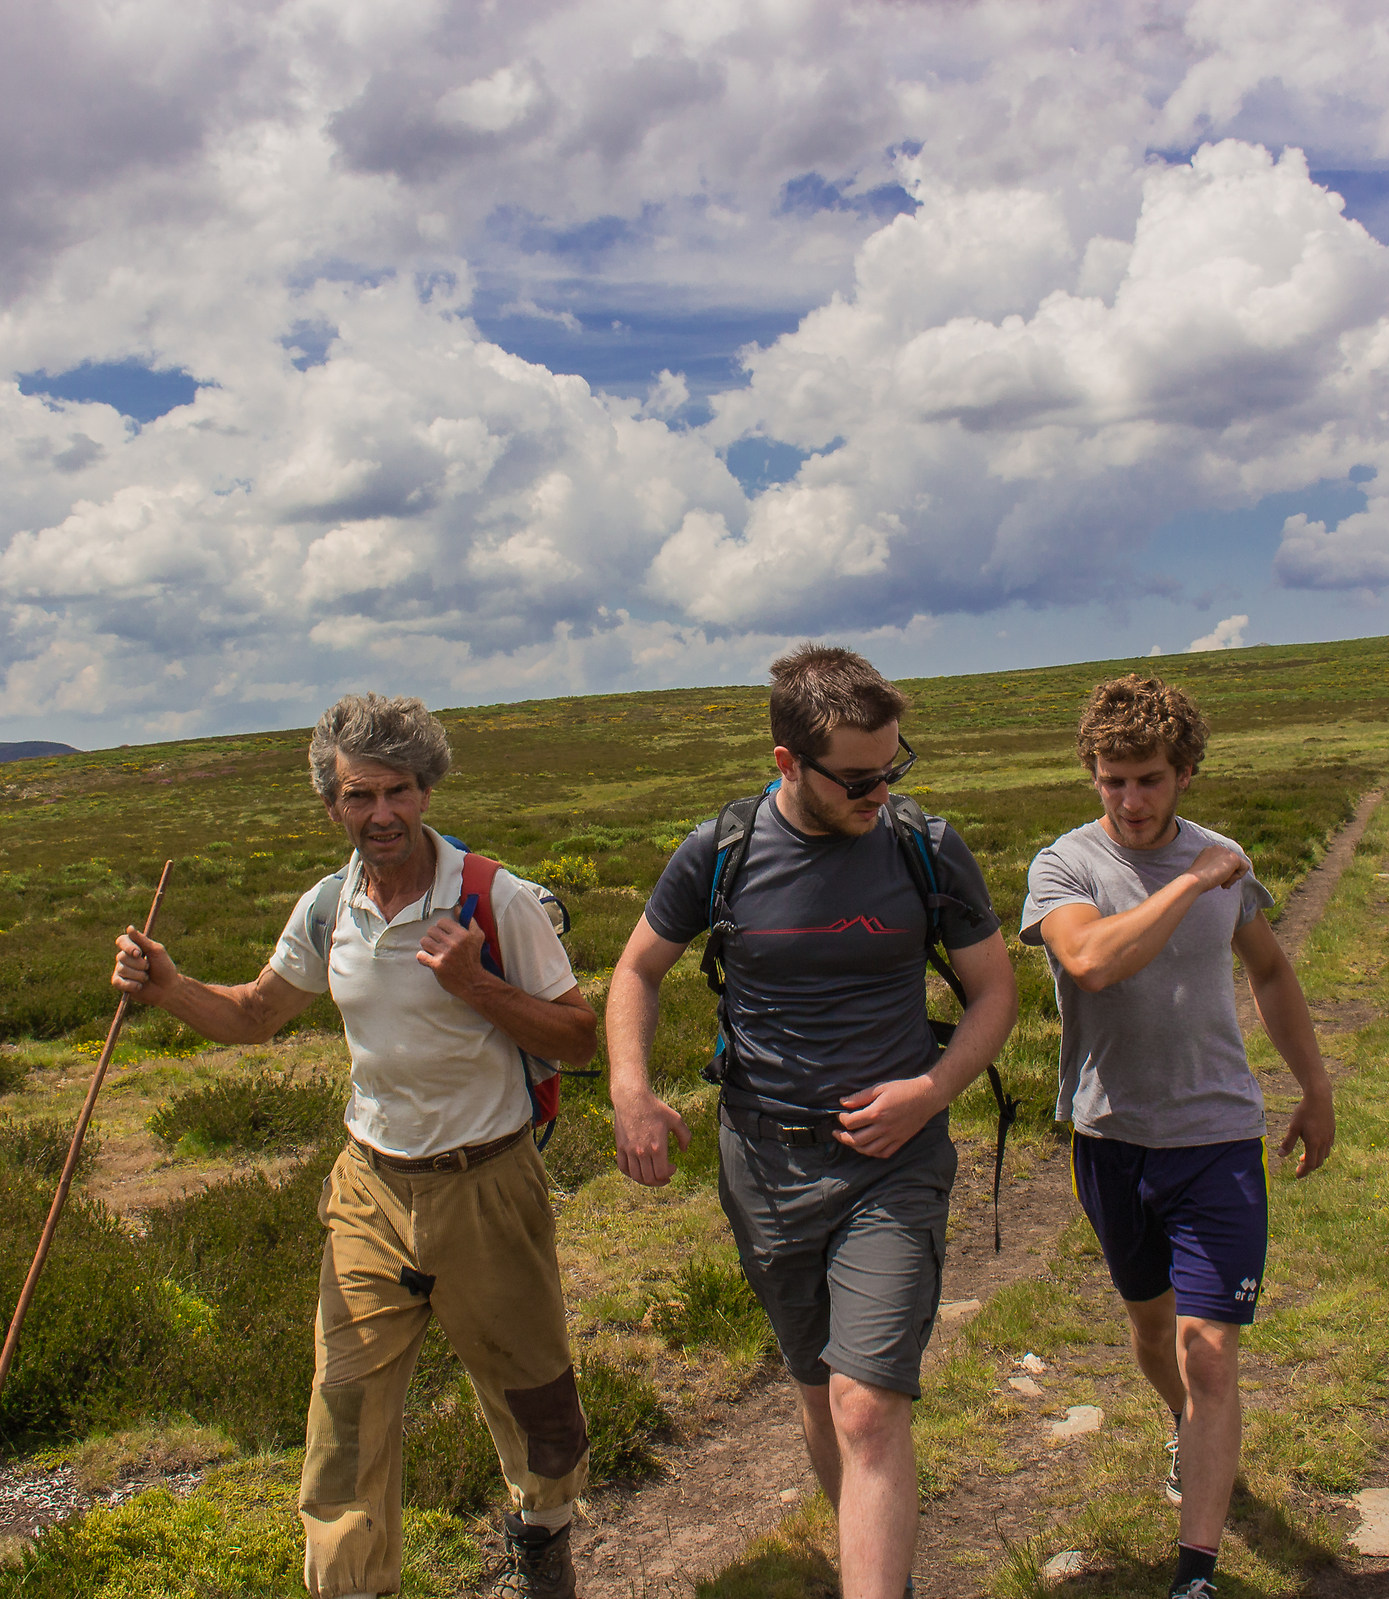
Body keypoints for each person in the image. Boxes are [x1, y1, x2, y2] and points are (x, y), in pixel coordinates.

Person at [109, 692, 599, 1599]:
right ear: (332, 802)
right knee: (343, 1422)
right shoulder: (329, 905)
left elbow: (580, 1037)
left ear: (426, 790)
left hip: (488, 1184)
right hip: (369, 1189)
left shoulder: (497, 897)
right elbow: (256, 1014)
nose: (381, 815)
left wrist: (475, 983)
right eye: (359, 795)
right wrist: (169, 985)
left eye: (399, 791)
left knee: (534, 1399)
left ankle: (543, 1533)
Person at [606, 644, 1020, 1599]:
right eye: (861, 777)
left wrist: (931, 1090)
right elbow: (636, 969)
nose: (883, 789)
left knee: (868, 1406)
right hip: (764, 1164)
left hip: (894, 1160)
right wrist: (629, 1085)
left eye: (895, 766)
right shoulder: (722, 852)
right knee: (819, 1392)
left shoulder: (925, 845)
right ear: (788, 762)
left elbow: (996, 991)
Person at [1017, 674, 1335, 1599]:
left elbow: (1270, 971)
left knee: (1208, 1345)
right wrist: (1193, 882)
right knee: (1154, 1334)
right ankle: (1189, 1429)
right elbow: (1090, 961)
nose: (1131, 800)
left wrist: (1314, 1088)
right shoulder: (1065, 866)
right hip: (1112, 1138)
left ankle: (1196, 1572)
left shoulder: (1224, 860)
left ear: (1186, 772)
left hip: (1218, 1138)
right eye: (1112, 780)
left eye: (1149, 779)